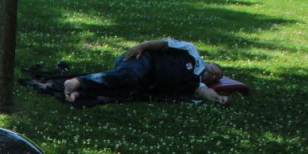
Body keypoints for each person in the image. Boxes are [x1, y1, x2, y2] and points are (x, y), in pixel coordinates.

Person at [63, 38, 230, 106]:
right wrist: (140, 47)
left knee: (125, 92)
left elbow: (205, 92)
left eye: (217, 77)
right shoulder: (191, 51)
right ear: (209, 63)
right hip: (142, 59)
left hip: (146, 80)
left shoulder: (196, 82)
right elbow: (163, 44)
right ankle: (78, 82)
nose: (216, 74)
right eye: (216, 70)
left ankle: (80, 92)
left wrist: (218, 98)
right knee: (131, 76)